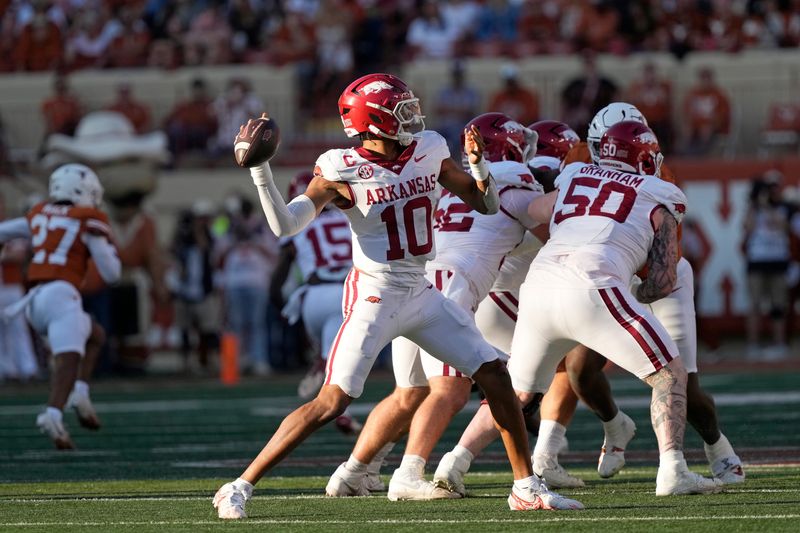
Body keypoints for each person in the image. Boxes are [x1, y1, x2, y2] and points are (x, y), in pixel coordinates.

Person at [212, 73, 583, 519]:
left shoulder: (428, 147)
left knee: (495, 375)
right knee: (333, 401)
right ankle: (239, 485)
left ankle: (525, 486)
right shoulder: (339, 167)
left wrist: (480, 168)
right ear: (373, 120)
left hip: (422, 290)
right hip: (376, 294)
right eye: (400, 108)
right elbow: (285, 226)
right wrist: (260, 171)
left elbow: (483, 205)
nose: (411, 114)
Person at [325, 112, 544, 500]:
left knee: (408, 392)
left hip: (420, 278)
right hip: (448, 283)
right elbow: (547, 231)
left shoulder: (450, 177)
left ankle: (351, 472)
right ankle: (408, 474)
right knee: (449, 390)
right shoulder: (516, 182)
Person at [514, 121, 721, 496]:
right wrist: (634, 292)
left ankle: (469, 466)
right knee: (669, 373)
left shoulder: (574, 175)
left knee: (518, 393)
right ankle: (673, 469)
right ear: (644, 158)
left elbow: (533, 209)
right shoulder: (660, 191)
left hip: (537, 286)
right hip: (595, 286)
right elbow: (662, 282)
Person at [433, 120, 579, 494]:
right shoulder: (528, 184)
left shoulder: (458, 183)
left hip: (456, 288)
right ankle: (525, 462)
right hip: (496, 297)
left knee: (414, 393)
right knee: (527, 380)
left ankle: (366, 465)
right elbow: (558, 239)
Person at [0, 164, 120, 448]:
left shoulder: (39, 214)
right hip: (61, 296)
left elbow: (3, 231)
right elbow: (112, 273)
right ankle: (52, 415)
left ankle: (80, 393)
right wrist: (106, 245)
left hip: (34, 301)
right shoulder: (86, 220)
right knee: (67, 361)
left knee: (95, 335)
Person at [270, 171, 361, 434]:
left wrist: (277, 303)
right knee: (344, 360)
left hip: (312, 296)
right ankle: (325, 369)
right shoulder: (348, 219)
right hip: (347, 293)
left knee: (333, 357)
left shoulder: (296, 225)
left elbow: (281, 272)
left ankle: (324, 371)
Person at [215, 197, 279, 376]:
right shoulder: (227, 227)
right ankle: (236, 361)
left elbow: (273, 253)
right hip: (234, 281)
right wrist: (233, 237)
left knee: (257, 323)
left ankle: (259, 360)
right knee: (236, 324)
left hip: (256, 281)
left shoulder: (261, 227)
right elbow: (218, 252)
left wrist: (253, 241)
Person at [743, 173, 791, 360]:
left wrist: (767, 207)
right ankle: (753, 344)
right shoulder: (753, 209)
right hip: (757, 259)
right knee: (754, 304)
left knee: (778, 304)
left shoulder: (784, 208)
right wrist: (756, 206)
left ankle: (779, 343)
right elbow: (747, 227)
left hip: (778, 259)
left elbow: (783, 226)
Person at [681, 67, 730, 156]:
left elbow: (723, 116)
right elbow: (688, 113)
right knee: (688, 136)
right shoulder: (693, 94)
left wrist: (711, 126)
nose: (705, 82)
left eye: (707, 78)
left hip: (713, 129)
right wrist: (689, 126)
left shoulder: (719, 95)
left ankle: (701, 159)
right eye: (703, 79)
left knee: (706, 134)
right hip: (696, 128)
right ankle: (687, 156)